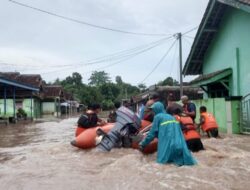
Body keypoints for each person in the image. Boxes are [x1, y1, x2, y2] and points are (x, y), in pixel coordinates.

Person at [139, 102, 197, 166]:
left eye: (154, 109)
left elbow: (151, 134)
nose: (153, 112)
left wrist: (142, 144)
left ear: (157, 109)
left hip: (167, 147)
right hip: (179, 145)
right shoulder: (171, 117)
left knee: (163, 166)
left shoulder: (158, 117)